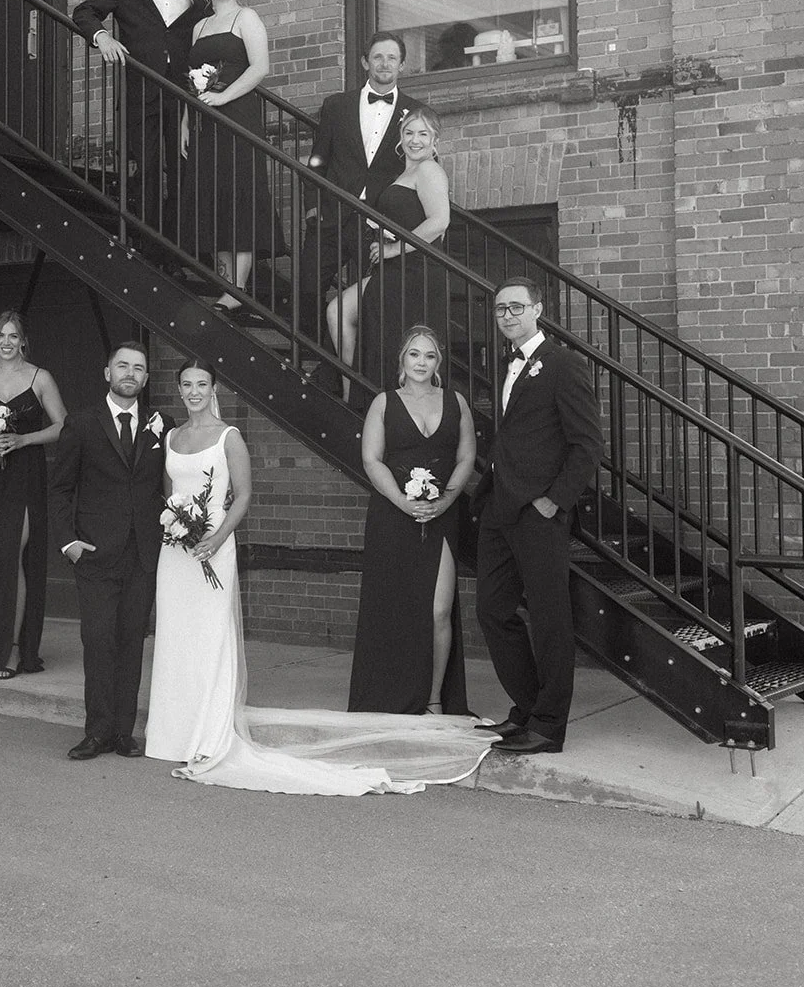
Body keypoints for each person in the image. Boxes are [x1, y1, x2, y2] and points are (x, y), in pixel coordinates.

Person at [144, 360, 490, 794]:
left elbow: (243, 494)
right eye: (186, 385)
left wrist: (214, 536)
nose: (194, 391)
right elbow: (168, 491)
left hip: (217, 543)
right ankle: (172, 729)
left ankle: (210, 728)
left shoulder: (229, 436)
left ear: (214, 387)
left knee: (212, 637)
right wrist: (178, 524)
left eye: (202, 384)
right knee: (176, 637)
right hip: (178, 551)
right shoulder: (171, 437)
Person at [473, 276, 603, 755]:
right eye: (500, 308)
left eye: (516, 307)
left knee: (550, 618)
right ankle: (527, 709)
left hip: (539, 512)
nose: (507, 315)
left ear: (538, 309)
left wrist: (555, 501)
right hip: (498, 509)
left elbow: (587, 443)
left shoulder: (563, 365)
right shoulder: (506, 365)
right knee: (492, 610)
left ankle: (548, 726)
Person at [48, 341, 169, 760]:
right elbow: (61, 488)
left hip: (142, 554)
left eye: (138, 368)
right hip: (95, 553)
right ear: (107, 373)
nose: (130, 374)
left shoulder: (161, 425)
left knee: (131, 641)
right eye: (123, 366)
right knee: (98, 640)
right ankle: (96, 731)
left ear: (146, 378)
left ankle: (123, 731)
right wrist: (69, 543)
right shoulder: (82, 423)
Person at [348, 327, 475, 716]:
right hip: (393, 517)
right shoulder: (384, 403)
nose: (422, 363)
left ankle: (435, 699)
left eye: (430, 356)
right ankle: (387, 697)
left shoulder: (456, 401)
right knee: (393, 609)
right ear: (402, 360)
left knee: (438, 609)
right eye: (415, 355)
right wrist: (403, 502)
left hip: (442, 517)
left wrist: (447, 499)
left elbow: (467, 457)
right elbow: (371, 460)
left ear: (438, 363)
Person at [71, 0, 206, 238]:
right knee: (144, 170)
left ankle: (179, 251)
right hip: (141, 90)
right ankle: (149, 248)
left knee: (182, 171)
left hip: (183, 94)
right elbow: (84, 12)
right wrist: (102, 37)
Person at [178, 0, 283, 314]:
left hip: (237, 117)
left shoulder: (246, 17)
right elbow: (193, 83)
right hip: (206, 122)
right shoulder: (199, 27)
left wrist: (223, 98)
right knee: (215, 198)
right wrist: (187, 121)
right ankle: (226, 284)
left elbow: (259, 69)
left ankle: (238, 290)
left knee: (240, 195)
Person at [299, 32, 413, 360]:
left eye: (392, 57)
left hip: (379, 224)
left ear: (402, 65)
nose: (384, 63)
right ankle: (316, 360)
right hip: (331, 216)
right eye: (377, 57)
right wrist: (311, 209)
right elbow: (317, 160)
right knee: (308, 288)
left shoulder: (414, 113)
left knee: (375, 300)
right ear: (365, 62)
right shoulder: (337, 106)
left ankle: (365, 367)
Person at [0, 311, 66, 679]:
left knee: (13, 555)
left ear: (23, 340)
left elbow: (63, 426)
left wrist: (24, 439)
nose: (6, 342)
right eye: (0, 337)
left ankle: (9, 652)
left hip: (26, 476)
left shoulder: (40, 378)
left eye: (13, 336)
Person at [327, 104, 451, 393]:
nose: (415, 139)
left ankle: (358, 393)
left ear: (435, 140)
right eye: (409, 132)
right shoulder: (403, 175)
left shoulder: (429, 169)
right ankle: (355, 391)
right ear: (400, 136)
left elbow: (439, 222)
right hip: (396, 270)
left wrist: (395, 249)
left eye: (423, 133)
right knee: (340, 312)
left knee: (353, 318)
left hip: (415, 271)